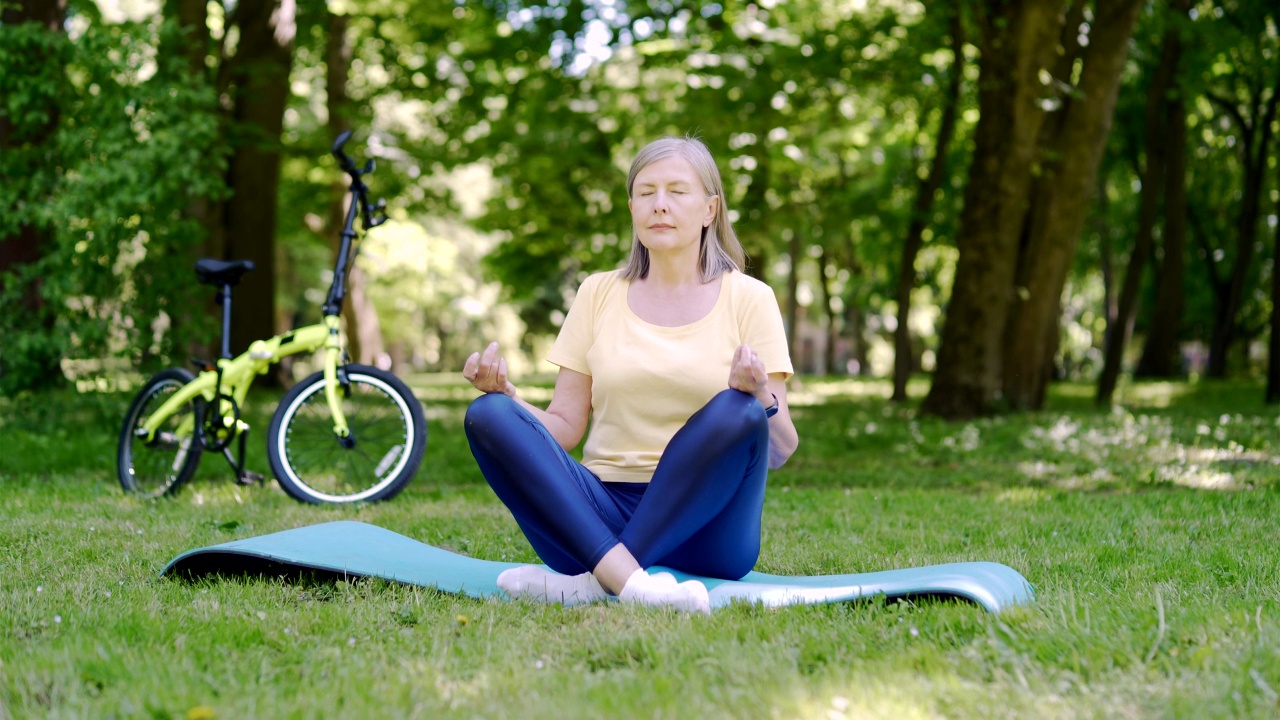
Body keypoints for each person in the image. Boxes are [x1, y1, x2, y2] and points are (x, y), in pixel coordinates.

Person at [462, 136, 799, 613]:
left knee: (736, 408)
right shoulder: (597, 293)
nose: (660, 205)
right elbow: (563, 427)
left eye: (677, 192)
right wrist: (509, 399)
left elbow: (782, 450)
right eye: (646, 192)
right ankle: (627, 579)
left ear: (709, 209)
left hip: (711, 534)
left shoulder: (750, 298)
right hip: (600, 518)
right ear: (632, 207)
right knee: (488, 413)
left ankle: (595, 582)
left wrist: (760, 393)